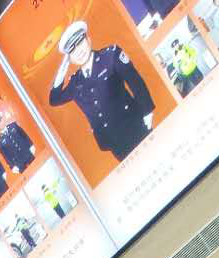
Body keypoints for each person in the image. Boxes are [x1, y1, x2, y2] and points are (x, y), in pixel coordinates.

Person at [50, 21, 154, 163]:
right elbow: (54, 99)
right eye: (72, 51)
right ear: (70, 58)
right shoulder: (76, 82)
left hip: (134, 125)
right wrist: (63, 69)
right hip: (113, 142)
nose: (79, 51)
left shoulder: (110, 56)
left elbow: (135, 81)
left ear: (88, 40)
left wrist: (148, 112)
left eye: (80, 43)